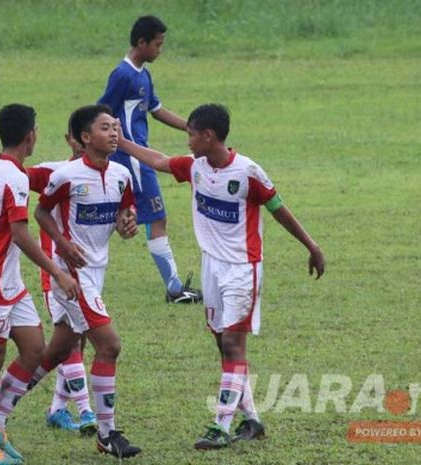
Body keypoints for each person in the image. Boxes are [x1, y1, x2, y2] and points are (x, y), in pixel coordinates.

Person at [117, 103, 326, 449]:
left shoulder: (248, 173)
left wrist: (312, 245)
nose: (187, 142)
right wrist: (123, 143)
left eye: (191, 135)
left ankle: (220, 427)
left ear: (208, 135)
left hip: (243, 270)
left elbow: (279, 211)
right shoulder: (196, 168)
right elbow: (157, 160)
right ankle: (253, 419)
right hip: (211, 268)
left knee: (232, 343)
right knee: (222, 343)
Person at [0, 103, 79, 465]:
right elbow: (19, 232)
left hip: (7, 282)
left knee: (33, 349)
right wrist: (57, 271)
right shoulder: (14, 177)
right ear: (30, 136)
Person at [31, 104, 142, 459]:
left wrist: (127, 225)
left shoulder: (122, 173)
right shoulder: (62, 175)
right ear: (82, 138)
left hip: (96, 273)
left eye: (116, 128)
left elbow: (125, 216)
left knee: (56, 352)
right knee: (108, 346)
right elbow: (37, 207)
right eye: (106, 128)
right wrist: (62, 246)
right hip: (68, 277)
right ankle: (105, 432)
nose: (114, 133)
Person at [98, 15, 202, 305]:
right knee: (155, 218)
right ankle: (174, 289)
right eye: (157, 44)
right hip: (132, 160)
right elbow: (100, 111)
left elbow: (156, 109)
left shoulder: (142, 74)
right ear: (141, 43)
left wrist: (189, 126)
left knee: (131, 218)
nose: (160, 49)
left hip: (138, 156)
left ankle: (174, 286)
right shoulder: (123, 75)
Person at [26, 127, 97, 435]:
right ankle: (87, 413)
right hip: (56, 276)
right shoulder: (54, 173)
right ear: (70, 138)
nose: (84, 144)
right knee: (70, 344)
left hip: (89, 276)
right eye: (79, 137)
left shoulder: (106, 175)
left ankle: (55, 409)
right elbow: (12, 177)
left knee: (74, 341)